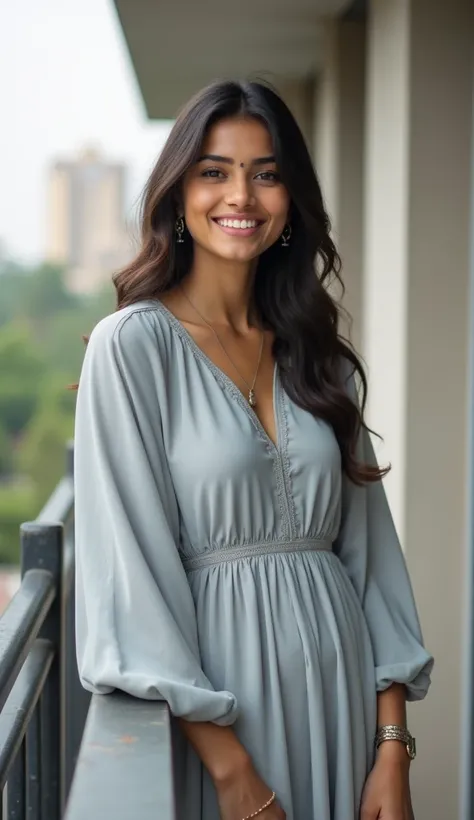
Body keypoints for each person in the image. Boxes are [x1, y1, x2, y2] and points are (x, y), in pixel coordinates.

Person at [74, 80, 433, 820]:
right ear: (178, 194)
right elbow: (131, 577)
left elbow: (372, 563)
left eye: (266, 173)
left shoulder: (316, 353)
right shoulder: (133, 348)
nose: (242, 194)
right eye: (214, 171)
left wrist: (391, 745)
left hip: (344, 713)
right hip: (224, 721)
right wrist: (233, 772)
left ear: (291, 199)